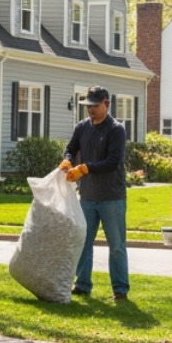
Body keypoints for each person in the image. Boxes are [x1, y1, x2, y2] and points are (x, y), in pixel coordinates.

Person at [59, 85, 130, 301]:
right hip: (88, 197)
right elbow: (71, 148)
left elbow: (113, 161)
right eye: (88, 106)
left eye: (94, 106)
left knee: (116, 246)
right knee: (83, 242)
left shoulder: (116, 130)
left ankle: (120, 289)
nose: (90, 110)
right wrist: (68, 160)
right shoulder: (82, 127)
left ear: (106, 104)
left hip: (112, 198)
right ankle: (82, 284)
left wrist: (85, 168)